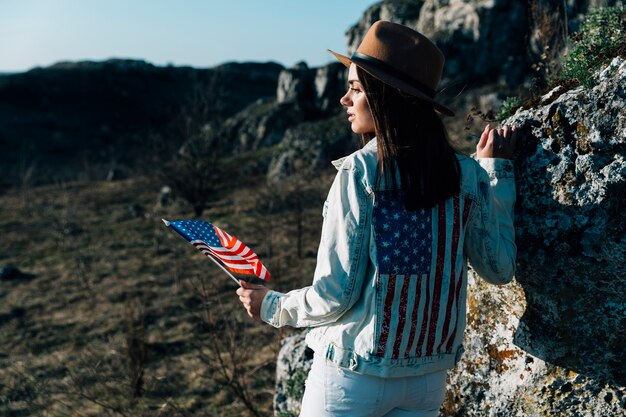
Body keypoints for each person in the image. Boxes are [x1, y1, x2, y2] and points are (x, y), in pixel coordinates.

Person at [237, 20, 517, 417]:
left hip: (351, 379)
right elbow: (499, 267)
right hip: (426, 381)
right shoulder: (468, 176)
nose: (343, 100)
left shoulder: (360, 173)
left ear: (388, 98)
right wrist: (496, 174)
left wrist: (272, 306)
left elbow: (335, 294)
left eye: (354, 88)